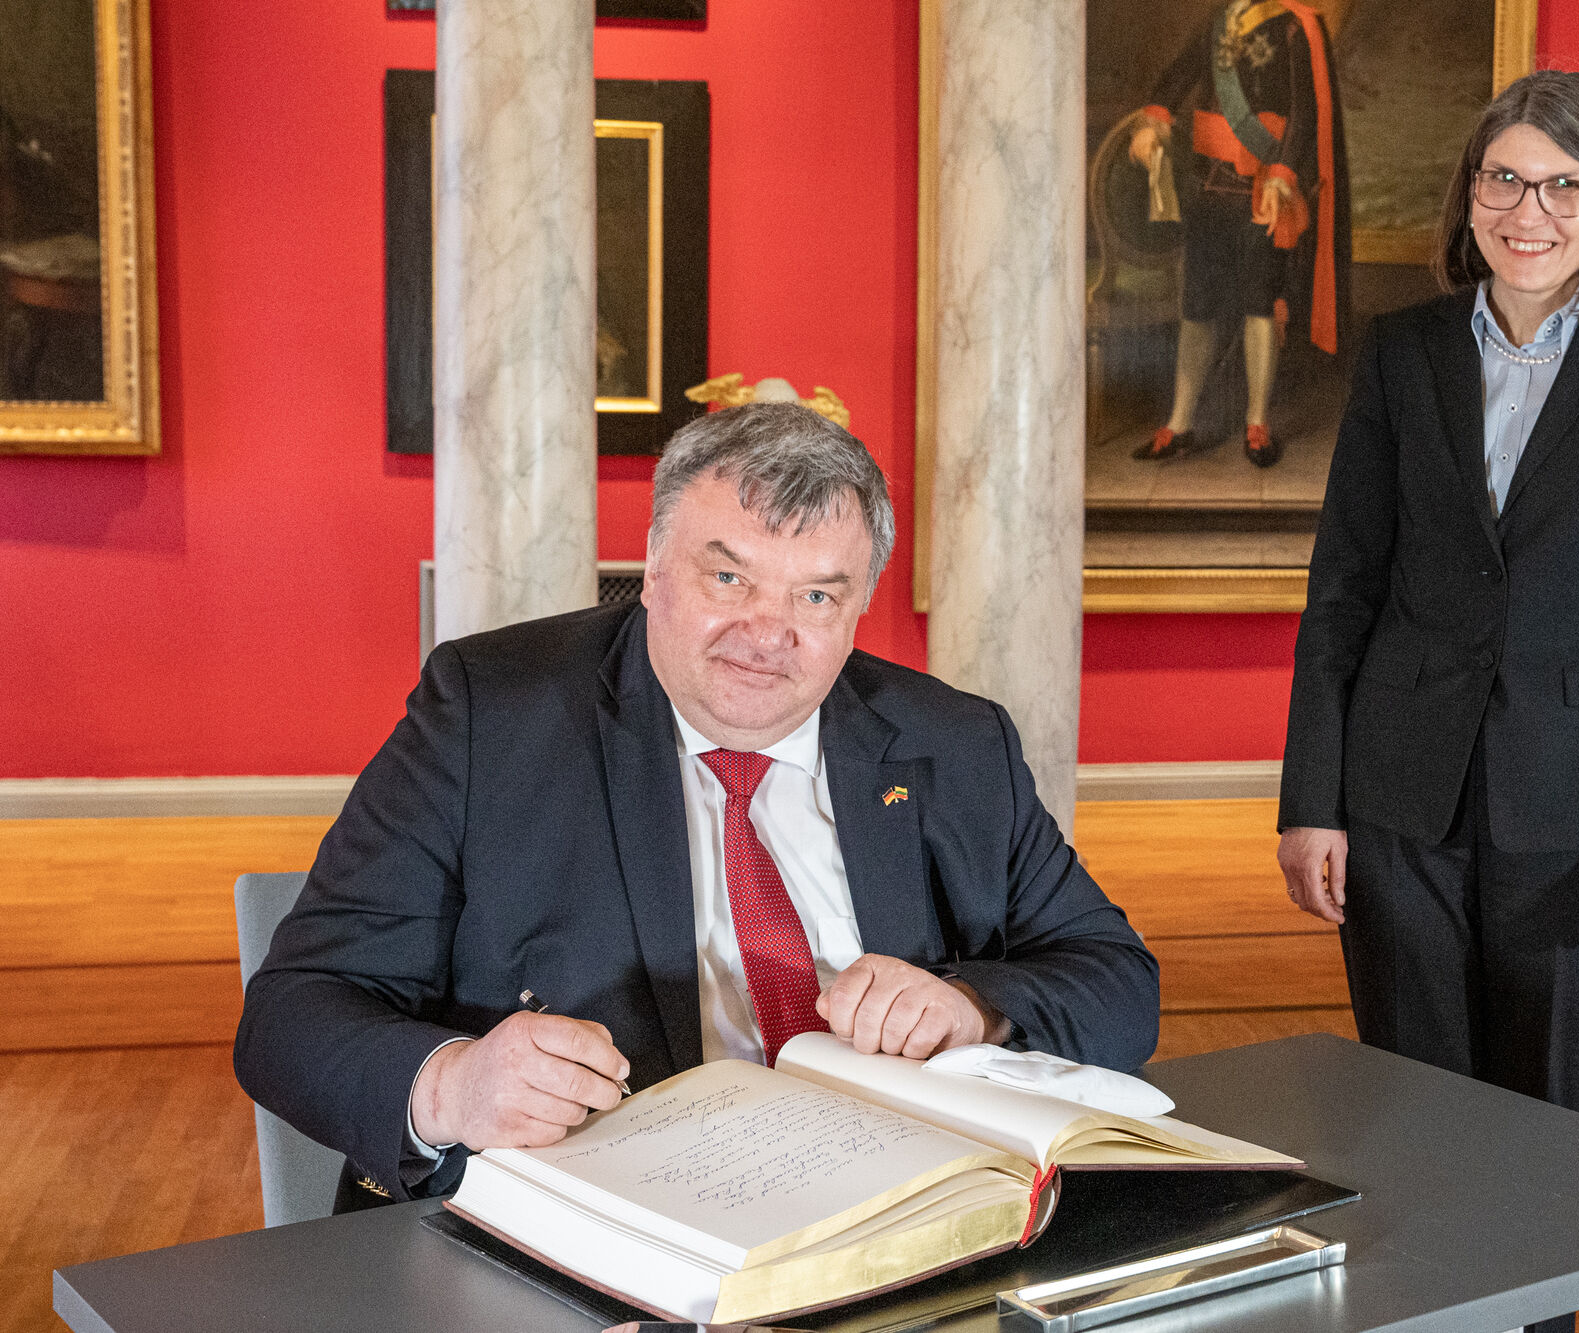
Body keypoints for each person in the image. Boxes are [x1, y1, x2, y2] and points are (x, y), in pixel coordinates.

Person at [236, 402, 1160, 1210]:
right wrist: (451, 1085)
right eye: (729, 578)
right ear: (652, 570)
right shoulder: (491, 716)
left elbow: (1116, 980)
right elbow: (290, 1014)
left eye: (815, 595)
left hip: (891, 1211)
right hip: (595, 1227)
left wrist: (972, 1007)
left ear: (860, 605)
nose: (767, 633)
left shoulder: (955, 742)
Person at [1275, 69, 1579, 1329]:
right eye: (1504, 179)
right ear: (1469, 193)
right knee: (1408, 1118)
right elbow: (1340, 592)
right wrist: (1310, 800)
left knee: (1538, 1130)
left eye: (1564, 184)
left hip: (1575, 817)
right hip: (1396, 799)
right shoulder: (1400, 351)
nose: (1530, 211)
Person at [1124, 0, 1346, 469]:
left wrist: (1285, 173)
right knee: (1197, 306)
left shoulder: (1295, 26)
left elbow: (1306, 112)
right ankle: (1180, 423)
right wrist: (1154, 123)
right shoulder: (1217, 19)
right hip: (1208, 189)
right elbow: (1175, 78)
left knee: (1258, 305)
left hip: (1263, 190)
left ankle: (1257, 422)